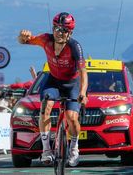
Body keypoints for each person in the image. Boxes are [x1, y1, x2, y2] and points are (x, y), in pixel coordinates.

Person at [18, 12, 88, 167]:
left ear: (70, 33)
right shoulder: (45, 39)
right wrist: (23, 35)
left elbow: (83, 72)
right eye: (56, 28)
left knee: (71, 117)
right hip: (53, 81)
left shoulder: (75, 47)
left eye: (63, 30)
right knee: (46, 107)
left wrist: (83, 93)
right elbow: (23, 41)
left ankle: (74, 148)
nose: (59, 32)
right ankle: (46, 150)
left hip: (72, 84)